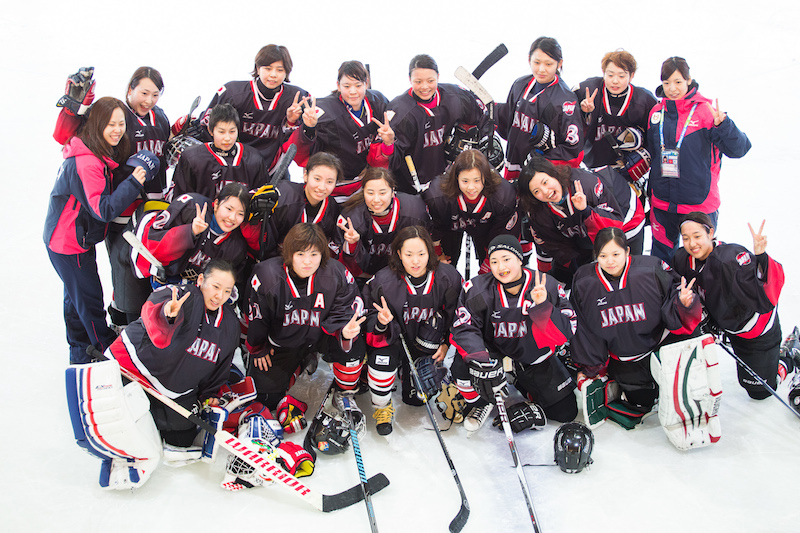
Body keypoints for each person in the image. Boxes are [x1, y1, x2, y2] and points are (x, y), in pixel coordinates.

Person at [54, 66, 171, 329]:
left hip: (150, 209)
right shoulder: (114, 116)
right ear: (129, 89)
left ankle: (143, 326)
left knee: (145, 269)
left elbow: (162, 157)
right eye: (143, 92)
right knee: (124, 271)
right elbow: (66, 137)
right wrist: (75, 108)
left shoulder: (160, 118)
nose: (148, 100)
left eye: (155, 94)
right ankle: (122, 326)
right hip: (118, 210)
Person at [44, 96, 155, 364]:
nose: (117, 130)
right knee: (89, 300)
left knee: (75, 297)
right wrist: (134, 181)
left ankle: (80, 351)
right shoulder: (88, 163)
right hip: (69, 243)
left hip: (72, 238)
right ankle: (108, 353)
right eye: (110, 124)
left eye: (121, 124)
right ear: (97, 125)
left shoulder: (90, 149)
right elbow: (103, 210)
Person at [104, 259, 240, 449]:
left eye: (227, 291)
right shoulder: (181, 295)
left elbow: (221, 366)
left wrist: (208, 394)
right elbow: (154, 316)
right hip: (133, 370)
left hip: (173, 390)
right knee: (120, 429)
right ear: (200, 280)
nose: (219, 296)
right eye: (215, 286)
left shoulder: (230, 325)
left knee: (182, 437)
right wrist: (167, 315)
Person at [246, 223, 367, 433]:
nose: (307, 261)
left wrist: (343, 331)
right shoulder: (267, 275)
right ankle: (301, 363)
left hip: (323, 335)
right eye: (300, 254)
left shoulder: (335, 273)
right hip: (284, 341)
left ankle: (345, 392)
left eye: (314, 254)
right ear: (289, 252)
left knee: (354, 341)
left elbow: (345, 309)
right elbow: (257, 316)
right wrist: (258, 347)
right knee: (265, 398)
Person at [450, 235, 577, 432]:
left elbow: (566, 332)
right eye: (494, 261)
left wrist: (543, 307)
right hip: (494, 356)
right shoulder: (477, 289)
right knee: (460, 367)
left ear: (520, 259)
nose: (501, 267)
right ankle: (481, 403)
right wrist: (481, 360)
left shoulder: (547, 285)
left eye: (506, 259)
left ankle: (520, 383)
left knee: (565, 412)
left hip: (533, 358)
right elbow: (464, 328)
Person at [570, 227, 702, 415]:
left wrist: (684, 304)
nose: (610, 261)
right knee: (642, 405)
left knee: (683, 394)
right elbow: (584, 329)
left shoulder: (651, 269)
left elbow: (676, 300)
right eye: (603, 256)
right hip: (627, 358)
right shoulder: (584, 283)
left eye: (616, 254)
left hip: (660, 347)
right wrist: (591, 368)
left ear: (627, 251)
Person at [647, 57, 751, 262]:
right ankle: (665, 295)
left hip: (698, 203)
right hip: (662, 202)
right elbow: (653, 155)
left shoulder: (706, 112)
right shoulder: (656, 113)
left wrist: (724, 125)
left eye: (678, 82)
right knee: (661, 260)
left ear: (689, 80)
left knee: (699, 260)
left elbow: (740, 149)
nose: (672, 89)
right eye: (667, 83)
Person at [361, 227, 463, 434]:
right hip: (393, 338)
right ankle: (382, 407)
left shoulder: (448, 278)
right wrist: (380, 321)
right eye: (408, 255)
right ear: (399, 254)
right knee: (381, 363)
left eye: (421, 254)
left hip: (426, 340)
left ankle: (411, 372)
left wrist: (445, 344)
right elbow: (367, 314)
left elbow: (458, 316)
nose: (415, 261)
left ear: (430, 253)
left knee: (414, 400)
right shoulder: (383, 281)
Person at [673, 212, 786, 399]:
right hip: (728, 325)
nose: (692, 244)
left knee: (760, 391)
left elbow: (764, 294)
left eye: (697, 236)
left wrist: (761, 257)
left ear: (711, 233)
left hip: (756, 330)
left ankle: (786, 358)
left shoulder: (729, 259)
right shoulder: (682, 259)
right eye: (686, 238)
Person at [288, 60, 394, 201]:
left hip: (365, 183)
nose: (353, 91)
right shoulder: (325, 113)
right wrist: (308, 127)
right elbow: (300, 152)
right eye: (347, 85)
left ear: (366, 83)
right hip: (332, 188)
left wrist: (388, 142)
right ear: (338, 85)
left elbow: (382, 150)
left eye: (358, 85)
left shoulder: (378, 102)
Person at [517, 155, 628, 287]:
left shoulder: (585, 184)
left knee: (618, 276)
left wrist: (586, 211)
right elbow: (554, 244)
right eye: (536, 191)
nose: (545, 192)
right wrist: (573, 262)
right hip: (579, 241)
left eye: (545, 182)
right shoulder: (538, 213)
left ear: (554, 174)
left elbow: (614, 225)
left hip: (625, 223)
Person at [193, 45, 309, 170]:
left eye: (280, 70)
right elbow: (208, 128)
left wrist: (293, 122)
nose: (273, 75)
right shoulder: (233, 93)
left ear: (287, 71)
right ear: (258, 69)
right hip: (231, 166)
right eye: (268, 68)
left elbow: (298, 147)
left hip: (273, 169)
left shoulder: (297, 99)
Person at [387, 54, 489, 194]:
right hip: (414, 186)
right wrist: (387, 146)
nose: (425, 87)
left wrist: (486, 139)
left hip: (451, 178)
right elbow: (391, 161)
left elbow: (480, 115)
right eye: (418, 81)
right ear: (409, 79)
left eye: (430, 80)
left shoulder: (455, 96)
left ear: (438, 77)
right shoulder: (401, 112)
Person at [130, 183, 252, 286]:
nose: (232, 218)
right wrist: (190, 232)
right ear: (216, 204)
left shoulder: (236, 247)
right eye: (229, 209)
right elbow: (153, 241)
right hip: (150, 274)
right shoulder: (191, 206)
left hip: (194, 293)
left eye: (240, 214)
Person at [497, 36, 583, 181]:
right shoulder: (519, 84)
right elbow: (507, 123)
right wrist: (488, 110)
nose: (541, 69)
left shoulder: (565, 100)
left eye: (548, 64)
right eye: (536, 62)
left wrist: (541, 162)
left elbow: (573, 150)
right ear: (529, 59)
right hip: (513, 164)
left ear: (559, 63)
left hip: (543, 177)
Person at [422, 149, 520, 273]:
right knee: (445, 266)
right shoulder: (437, 196)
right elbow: (435, 227)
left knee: (491, 269)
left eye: (477, 180)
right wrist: (437, 253)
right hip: (449, 224)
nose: (471, 187)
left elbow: (501, 238)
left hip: (487, 228)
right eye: (465, 181)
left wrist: (485, 271)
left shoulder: (503, 196)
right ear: (456, 178)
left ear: (485, 177)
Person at [338, 167, 430, 285]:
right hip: (366, 279)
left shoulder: (415, 211)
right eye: (370, 193)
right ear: (363, 191)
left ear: (392, 192)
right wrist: (352, 244)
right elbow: (346, 266)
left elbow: (425, 248)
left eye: (382, 192)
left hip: (405, 277)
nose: (376, 199)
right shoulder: (351, 219)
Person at [573, 50, 657, 175]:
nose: (615, 81)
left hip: (625, 172)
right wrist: (584, 113)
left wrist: (645, 154)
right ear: (603, 73)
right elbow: (567, 127)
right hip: (589, 169)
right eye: (610, 75)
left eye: (622, 76)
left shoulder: (645, 101)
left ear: (632, 75)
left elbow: (655, 138)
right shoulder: (586, 91)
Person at [167, 103, 267, 202]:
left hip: (239, 217)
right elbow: (180, 201)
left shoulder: (254, 159)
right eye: (221, 132)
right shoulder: (191, 158)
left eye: (232, 131)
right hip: (201, 217)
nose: (227, 138)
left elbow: (262, 198)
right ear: (211, 131)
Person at [254, 152, 344, 258]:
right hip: (277, 263)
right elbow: (267, 244)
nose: (322, 187)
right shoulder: (283, 195)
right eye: (317, 179)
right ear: (305, 175)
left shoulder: (332, 208)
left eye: (329, 182)